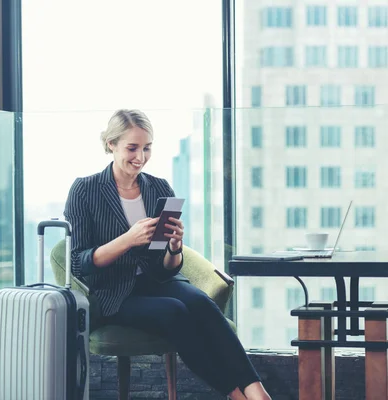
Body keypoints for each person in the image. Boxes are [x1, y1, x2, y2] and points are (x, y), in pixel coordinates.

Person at [64, 109, 271, 400]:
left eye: (147, 148)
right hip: (115, 292)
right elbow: (78, 263)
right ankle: (236, 394)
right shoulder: (85, 190)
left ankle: (258, 393)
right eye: (132, 148)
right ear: (111, 144)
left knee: (202, 303)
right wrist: (127, 240)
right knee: (175, 312)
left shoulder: (159, 187)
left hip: (156, 281)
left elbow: (165, 271)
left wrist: (174, 247)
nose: (140, 156)